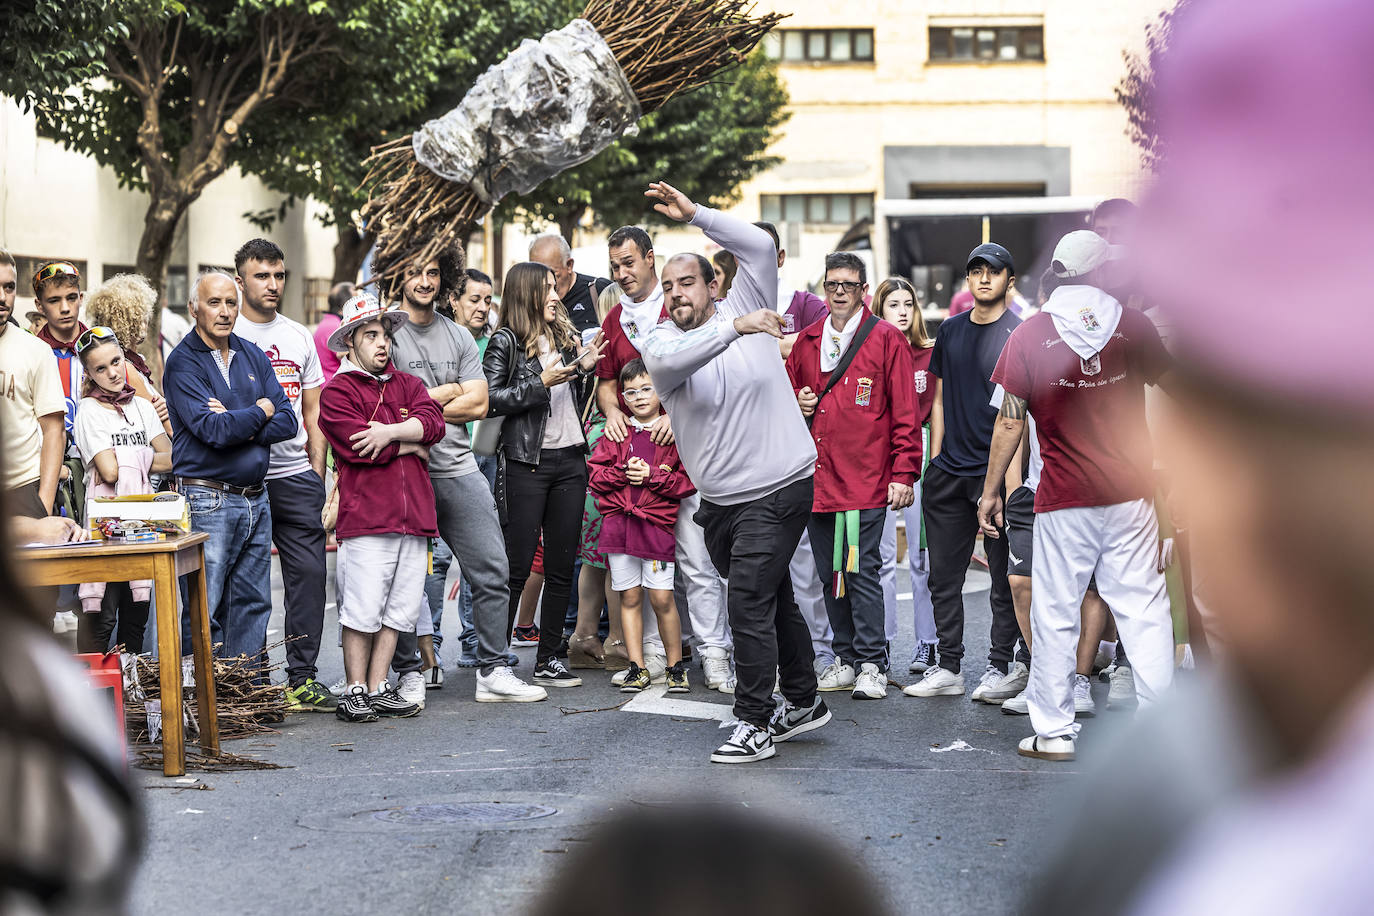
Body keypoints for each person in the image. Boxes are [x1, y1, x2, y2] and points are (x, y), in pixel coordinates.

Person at [639, 180, 829, 764]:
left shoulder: (748, 295)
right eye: (667, 286)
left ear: (714, 284)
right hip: (721, 503)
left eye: (687, 281)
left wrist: (697, 215)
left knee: (747, 597)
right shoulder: (663, 344)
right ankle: (804, 699)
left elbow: (760, 246)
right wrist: (735, 329)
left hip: (782, 484)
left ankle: (754, 719)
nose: (675, 293)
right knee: (770, 594)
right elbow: (671, 360)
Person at [977, 230, 1175, 762]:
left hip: (1062, 494)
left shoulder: (1031, 333)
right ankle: (1159, 731)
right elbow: (1178, 391)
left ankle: (1054, 732)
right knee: (1144, 607)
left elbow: (1009, 423)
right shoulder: (1133, 326)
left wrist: (991, 491)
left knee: (1056, 611)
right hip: (1131, 492)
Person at [388, 252, 547, 704]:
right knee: (404, 578)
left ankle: (493, 669)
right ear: (400, 275)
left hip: (457, 467)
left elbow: (479, 404)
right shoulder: (387, 334)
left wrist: (418, 403)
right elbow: (383, 407)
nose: (424, 280)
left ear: (445, 279)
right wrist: (448, 392)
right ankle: (408, 672)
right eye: (416, 271)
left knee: (493, 568)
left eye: (433, 272)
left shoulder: (458, 335)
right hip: (403, 471)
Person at [602, 225, 733, 693]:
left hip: (687, 459)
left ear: (650, 258)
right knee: (648, 563)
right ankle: (655, 655)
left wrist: (674, 416)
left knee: (697, 561)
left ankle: (715, 653)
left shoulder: (680, 304)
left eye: (629, 262)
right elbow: (607, 380)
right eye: (615, 265)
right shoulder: (615, 317)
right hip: (636, 470)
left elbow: (708, 369)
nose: (622, 273)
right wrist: (614, 412)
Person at [787, 255, 920, 701]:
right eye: (832, 284)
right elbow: (785, 399)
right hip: (817, 478)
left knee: (860, 569)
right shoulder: (807, 341)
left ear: (864, 289)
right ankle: (844, 658)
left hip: (866, 477)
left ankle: (871, 662)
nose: (839, 291)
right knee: (830, 573)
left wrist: (904, 473)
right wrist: (799, 401)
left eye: (848, 284)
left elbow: (905, 412)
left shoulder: (885, 339)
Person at [904, 242, 1026, 704]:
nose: (983, 279)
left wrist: (1008, 489)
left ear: (1009, 281)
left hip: (994, 474)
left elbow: (1019, 415)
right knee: (943, 577)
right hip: (948, 473)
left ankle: (999, 666)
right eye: (975, 271)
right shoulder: (950, 330)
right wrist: (934, 461)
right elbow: (936, 399)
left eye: (993, 272)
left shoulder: (1019, 333)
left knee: (1002, 579)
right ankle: (949, 666)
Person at [319, 292, 446, 722]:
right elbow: (358, 449)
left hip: (415, 521)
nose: (382, 344)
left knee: (400, 611)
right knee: (361, 609)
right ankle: (354, 687)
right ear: (351, 341)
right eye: (371, 335)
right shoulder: (337, 391)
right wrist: (411, 445)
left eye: (386, 336)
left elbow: (435, 425)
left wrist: (391, 434)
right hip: (368, 520)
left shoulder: (408, 384)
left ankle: (377, 687)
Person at [162, 270, 296, 666]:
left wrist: (239, 419)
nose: (224, 312)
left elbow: (288, 420)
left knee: (254, 603)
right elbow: (213, 430)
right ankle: (207, 701)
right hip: (207, 498)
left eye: (231, 302)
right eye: (214, 303)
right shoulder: (183, 363)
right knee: (206, 605)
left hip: (256, 497)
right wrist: (259, 409)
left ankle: (244, 696)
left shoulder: (252, 353)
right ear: (193, 308)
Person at [483, 260, 606, 689]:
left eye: (556, 288)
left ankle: (549, 656)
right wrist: (541, 380)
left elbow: (568, 391)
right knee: (516, 566)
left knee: (561, 565)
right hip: (525, 462)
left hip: (570, 459)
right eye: (548, 289)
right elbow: (491, 399)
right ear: (527, 294)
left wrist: (583, 365)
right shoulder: (505, 341)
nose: (556, 296)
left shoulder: (561, 334)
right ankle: (497, 661)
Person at [231, 238, 335, 711]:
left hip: (295, 475)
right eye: (261, 276)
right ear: (241, 280)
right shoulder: (227, 336)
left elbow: (313, 413)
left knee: (309, 576)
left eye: (279, 275)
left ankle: (302, 677)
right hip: (241, 478)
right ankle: (248, 681)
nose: (273, 285)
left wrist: (316, 473)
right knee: (245, 584)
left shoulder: (298, 336)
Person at [754, 222, 834, 674]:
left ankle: (820, 652)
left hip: (799, 443)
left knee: (804, 561)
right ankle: (750, 654)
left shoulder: (808, 306)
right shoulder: (728, 307)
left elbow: (827, 356)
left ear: (780, 259)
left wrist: (777, 344)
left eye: (763, 254)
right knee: (751, 563)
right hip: (749, 447)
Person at [587, 358, 695, 693]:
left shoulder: (671, 431)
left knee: (662, 598)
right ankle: (638, 666)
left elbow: (685, 483)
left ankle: (675, 666)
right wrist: (621, 472)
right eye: (631, 392)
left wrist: (653, 476)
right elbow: (595, 477)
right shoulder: (616, 432)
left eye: (647, 389)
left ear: (660, 391)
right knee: (629, 597)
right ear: (622, 396)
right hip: (618, 529)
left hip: (655, 530)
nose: (639, 397)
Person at [71, 326, 171, 654]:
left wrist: (126, 456)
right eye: (101, 368)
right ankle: (90, 695)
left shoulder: (141, 407)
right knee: (101, 617)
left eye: (116, 362)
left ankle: (130, 695)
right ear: (88, 373)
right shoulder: (88, 411)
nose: (113, 373)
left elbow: (171, 458)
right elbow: (109, 472)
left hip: (143, 526)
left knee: (135, 618)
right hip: (104, 530)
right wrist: (145, 455)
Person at [873, 276, 939, 673]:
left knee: (921, 557)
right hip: (877, 463)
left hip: (921, 459)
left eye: (907, 303)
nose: (901, 310)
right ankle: (879, 644)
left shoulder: (930, 355)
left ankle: (927, 643)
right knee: (878, 559)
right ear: (879, 310)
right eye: (892, 303)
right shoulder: (868, 353)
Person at [0, 250, 66, 522]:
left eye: (9, 287)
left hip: (22, 490)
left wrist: (42, 504)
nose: (3, 297)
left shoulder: (36, 350)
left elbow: (54, 431)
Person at [82, 273, 171, 428]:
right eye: (140, 316)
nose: (146, 322)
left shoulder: (128, 362)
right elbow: (165, 426)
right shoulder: (125, 366)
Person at [529, 233, 611, 334]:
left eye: (553, 274)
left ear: (569, 265)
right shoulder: (528, 301)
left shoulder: (599, 290)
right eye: (537, 276)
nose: (545, 282)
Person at [313, 281, 353, 383]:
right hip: (335, 387)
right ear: (348, 304)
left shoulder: (327, 322)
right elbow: (351, 360)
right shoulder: (336, 327)